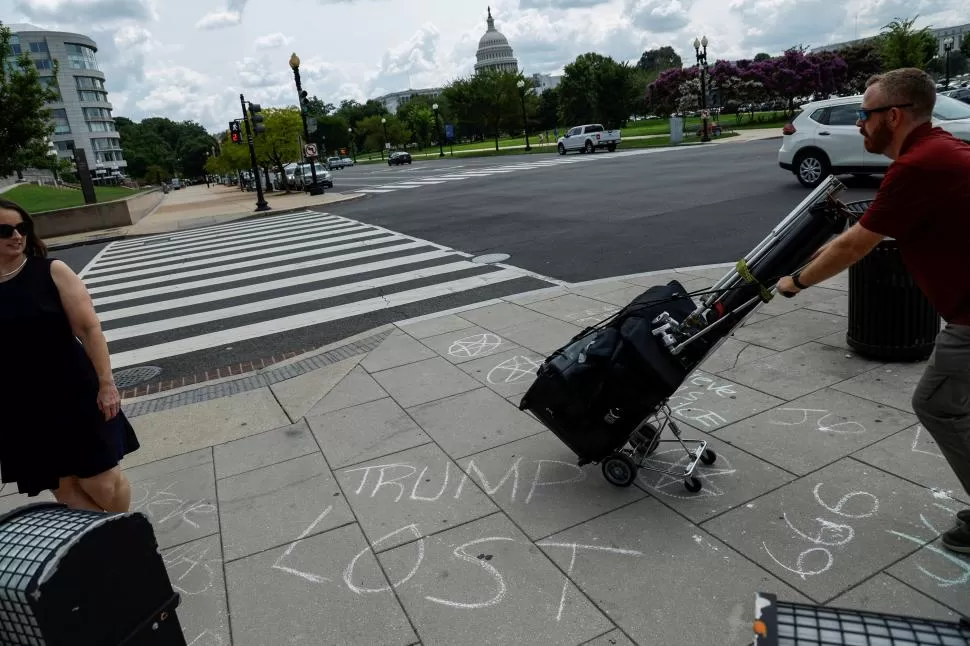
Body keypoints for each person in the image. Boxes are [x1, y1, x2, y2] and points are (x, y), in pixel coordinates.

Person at [775, 68, 970, 553]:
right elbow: (861, 234)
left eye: (865, 115)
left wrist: (795, 281)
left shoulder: (917, 166)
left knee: (937, 404)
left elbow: (856, 247)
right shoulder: (939, 150)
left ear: (895, 115)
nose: (859, 124)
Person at [0, 198, 138, 512]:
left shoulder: (51, 271)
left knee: (100, 480)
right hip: (20, 402)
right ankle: (107, 549)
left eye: (22, 227)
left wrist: (106, 384)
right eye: (5, 230)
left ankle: (125, 534)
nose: (16, 235)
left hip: (72, 389)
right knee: (64, 488)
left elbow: (89, 329)